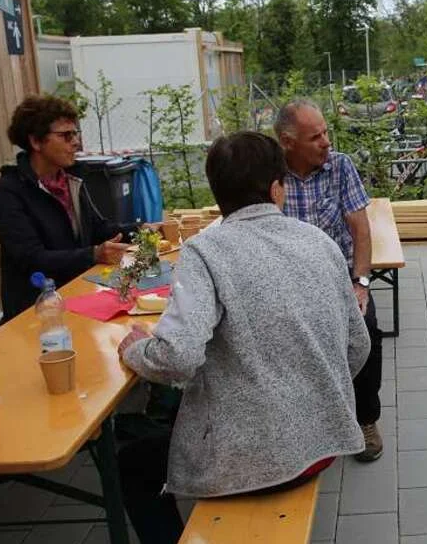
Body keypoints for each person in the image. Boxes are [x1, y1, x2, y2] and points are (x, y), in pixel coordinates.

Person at [117, 131, 370, 544]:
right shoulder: (319, 242)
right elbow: (358, 347)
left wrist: (137, 351)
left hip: (250, 463)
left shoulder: (204, 251)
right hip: (325, 443)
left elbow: (176, 358)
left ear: (217, 192)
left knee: (132, 462)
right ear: (275, 189)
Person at [274, 99, 386, 462]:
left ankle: (365, 420)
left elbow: (360, 230)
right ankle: (299, 420)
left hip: (339, 279)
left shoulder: (340, 167)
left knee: (366, 329)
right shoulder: (270, 177)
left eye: (326, 132)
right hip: (287, 282)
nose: (326, 142)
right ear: (287, 142)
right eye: (315, 137)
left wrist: (362, 283)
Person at [0, 95, 133, 320]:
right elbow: (32, 258)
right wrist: (93, 254)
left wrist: (145, 230)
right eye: (66, 135)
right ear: (36, 142)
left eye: (76, 134)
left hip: (81, 294)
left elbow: (98, 229)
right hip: (37, 312)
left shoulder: (71, 179)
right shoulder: (7, 193)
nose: (75, 142)